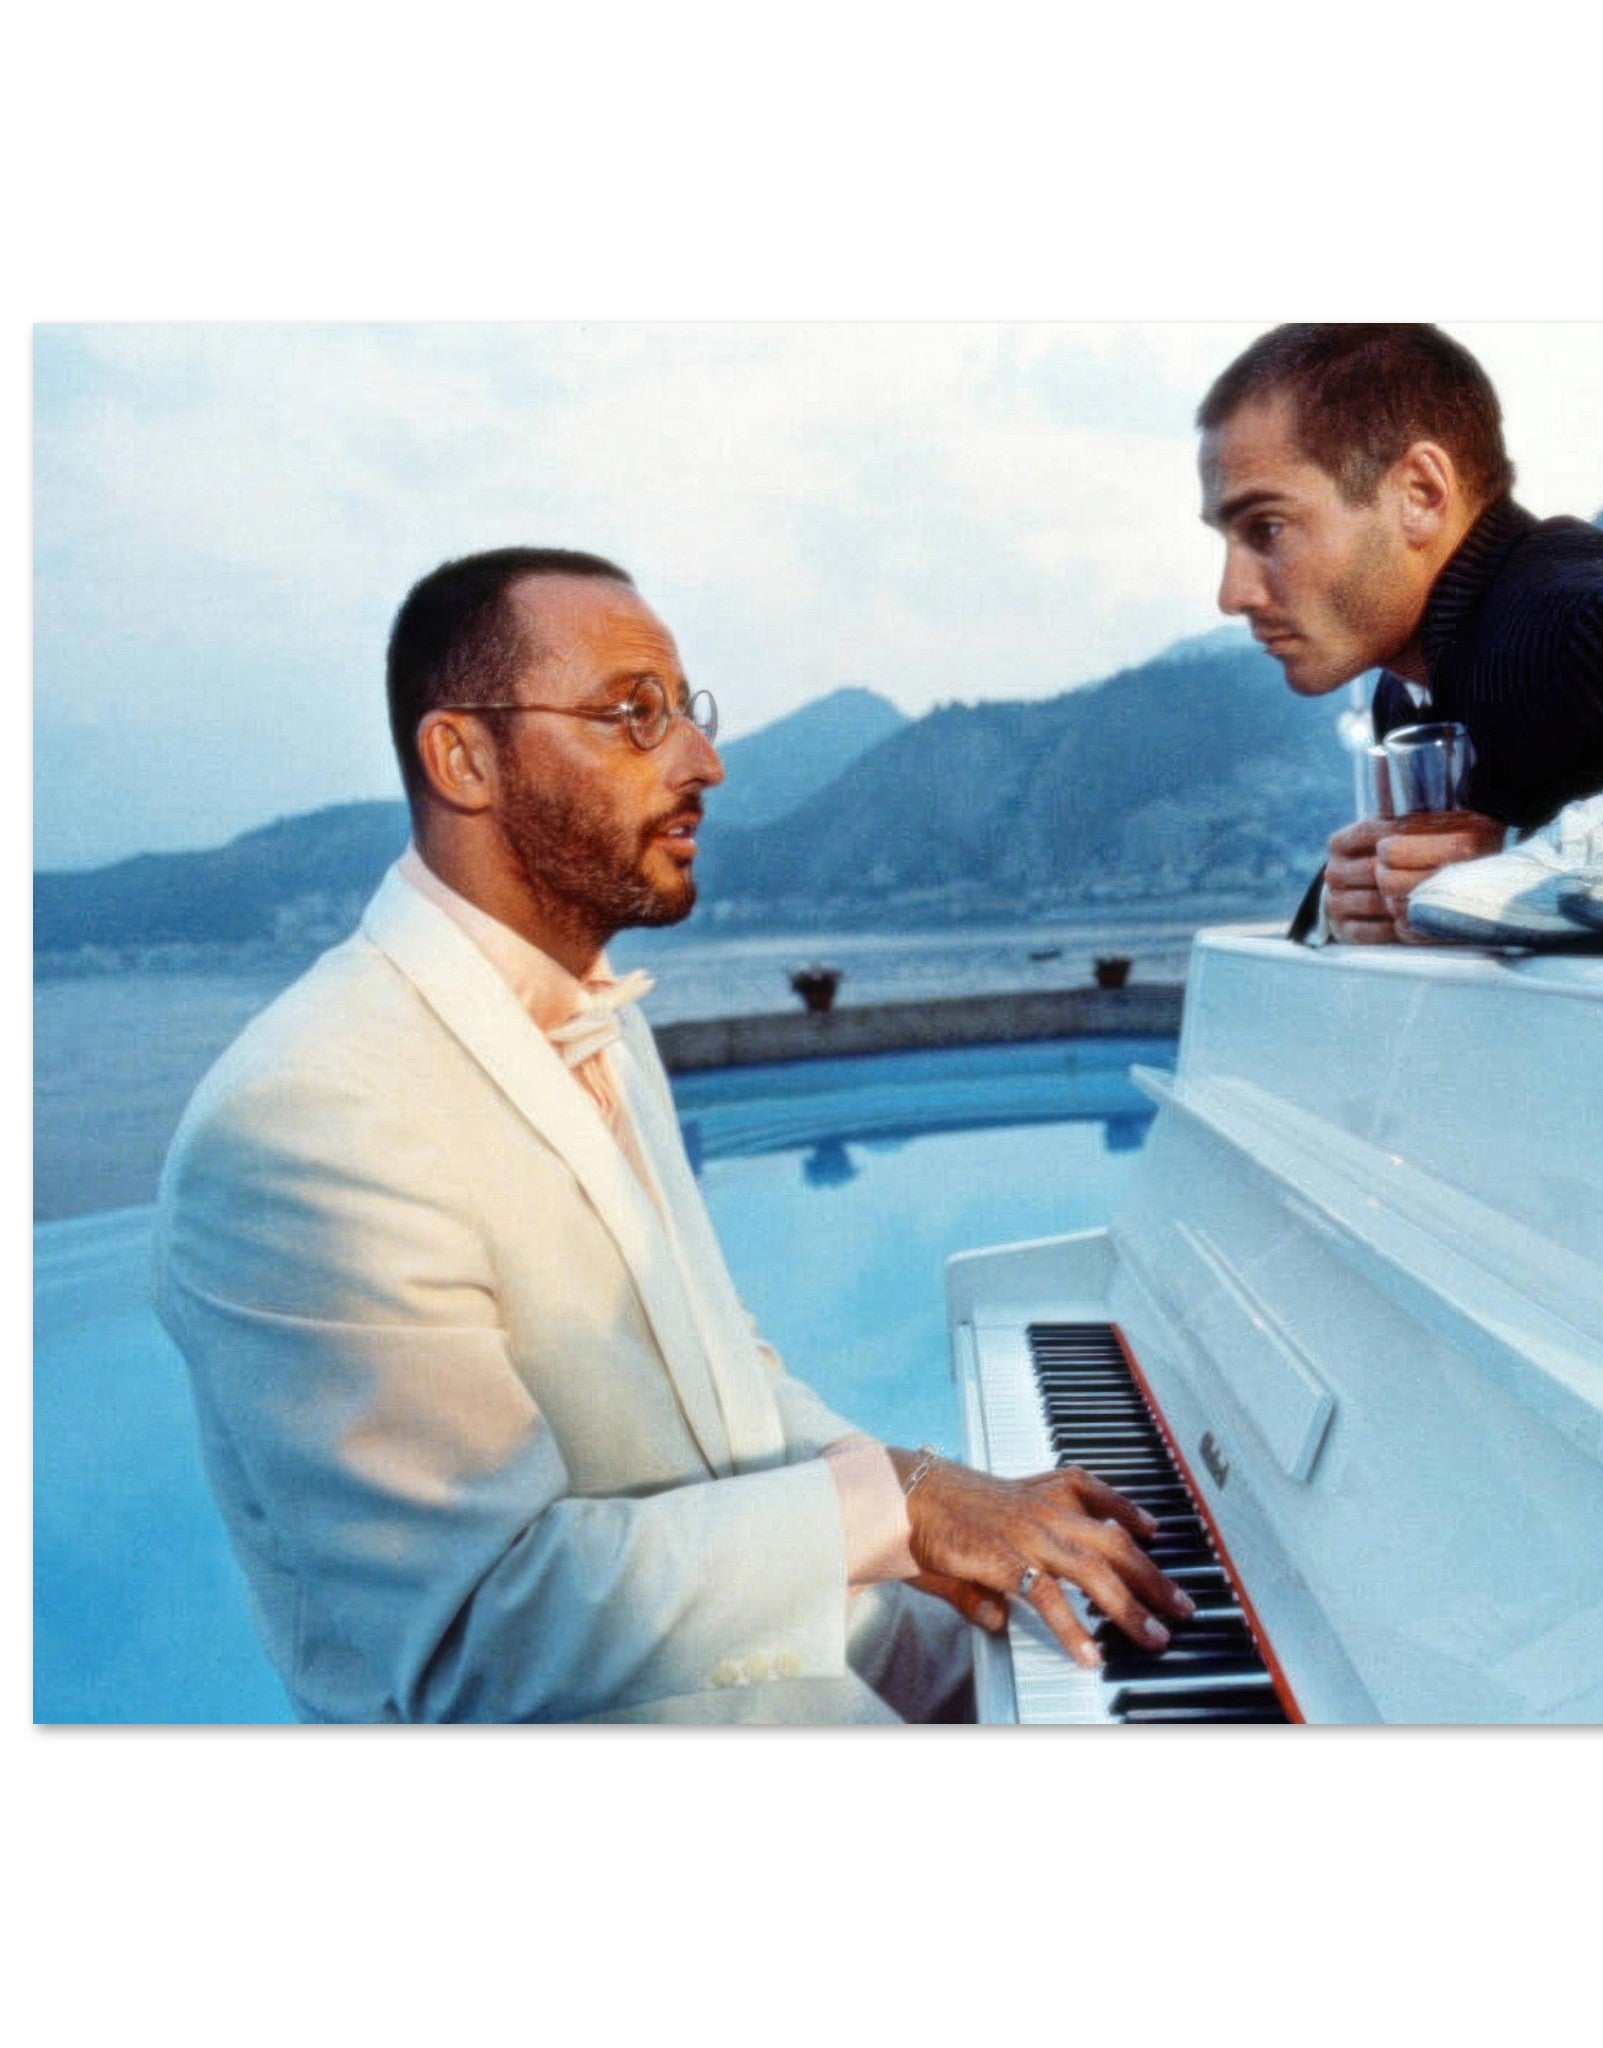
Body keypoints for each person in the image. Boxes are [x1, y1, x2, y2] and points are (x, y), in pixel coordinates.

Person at [153, 546, 1193, 1723]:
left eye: (684, 713)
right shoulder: (304, 1123)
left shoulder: (600, 1020)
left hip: (769, 1661)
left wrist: (944, 1525)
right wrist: (894, 1507)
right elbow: (475, 1634)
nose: (703, 760)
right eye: (631, 714)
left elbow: (725, 1384)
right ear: (463, 757)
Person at [1195, 324, 1603, 944]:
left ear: (1421, 494)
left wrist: (1521, 866)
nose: (1233, 594)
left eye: (1268, 529)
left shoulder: (1592, 632)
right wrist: (1350, 907)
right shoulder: (1404, 693)